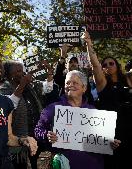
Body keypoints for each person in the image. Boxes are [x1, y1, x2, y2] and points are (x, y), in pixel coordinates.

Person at [34, 70, 121, 169]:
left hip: (93, 164)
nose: (70, 85)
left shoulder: (93, 111)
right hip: (65, 164)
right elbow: (38, 130)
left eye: (75, 83)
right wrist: (46, 135)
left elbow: (100, 139)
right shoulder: (52, 108)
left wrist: (110, 143)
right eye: (67, 83)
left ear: (84, 88)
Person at [85, 32, 132, 169]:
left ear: (117, 65)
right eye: (105, 64)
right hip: (113, 136)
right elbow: (95, 65)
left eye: (111, 63)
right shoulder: (103, 84)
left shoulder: (128, 82)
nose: (108, 65)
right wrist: (89, 43)